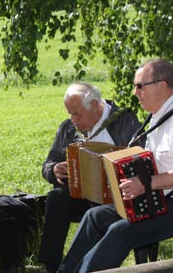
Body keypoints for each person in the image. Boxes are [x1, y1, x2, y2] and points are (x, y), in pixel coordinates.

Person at [58, 58, 173, 272]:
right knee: (94, 217)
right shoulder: (157, 118)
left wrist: (145, 183)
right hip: (159, 199)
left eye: (140, 85)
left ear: (162, 85)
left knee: (120, 232)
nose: (135, 92)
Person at [37, 82, 141, 272]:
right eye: (70, 113)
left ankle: (90, 265)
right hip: (81, 194)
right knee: (57, 198)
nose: (73, 119)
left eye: (76, 113)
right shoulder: (68, 128)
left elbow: (140, 159)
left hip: (115, 198)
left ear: (95, 105)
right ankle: (50, 265)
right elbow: (48, 163)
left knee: (99, 212)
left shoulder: (124, 121)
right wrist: (54, 170)